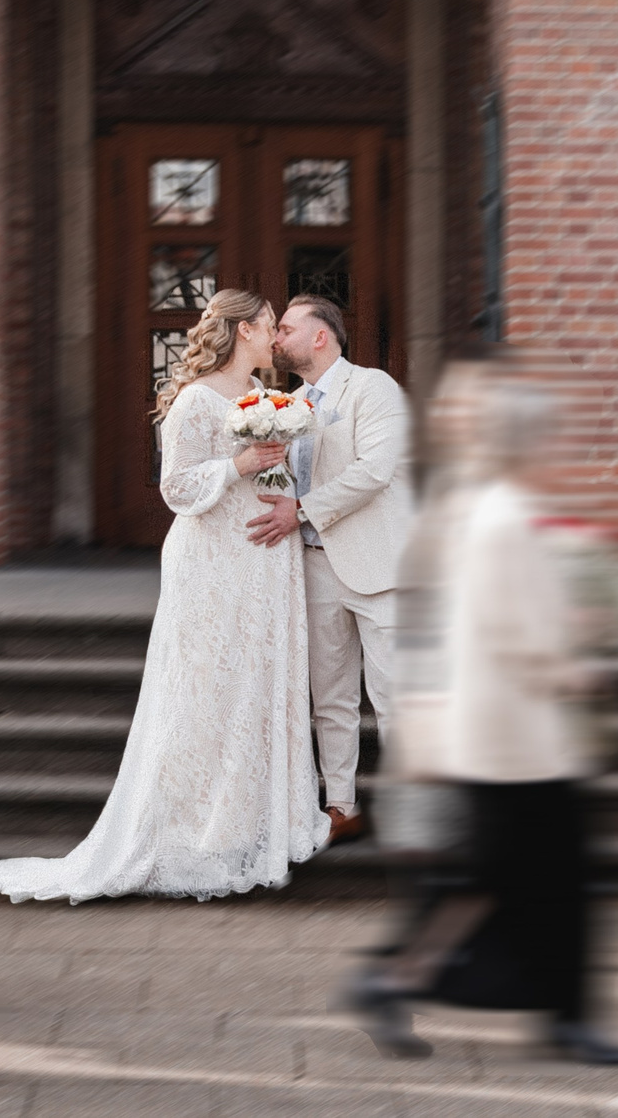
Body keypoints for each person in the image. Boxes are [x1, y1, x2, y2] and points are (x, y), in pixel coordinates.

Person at [0, 288, 331, 901]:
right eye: (269, 325)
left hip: (263, 559)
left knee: (253, 685)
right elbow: (176, 486)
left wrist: (277, 487)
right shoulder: (197, 400)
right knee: (205, 688)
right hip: (213, 562)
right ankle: (191, 832)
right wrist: (239, 467)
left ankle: (246, 823)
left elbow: (266, 470)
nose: (275, 335)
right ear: (242, 330)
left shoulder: (267, 398)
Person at [344, 372, 618, 1065]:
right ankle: (564, 1019)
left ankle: (396, 980)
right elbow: (513, 631)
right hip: (519, 738)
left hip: (502, 735)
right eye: (552, 436)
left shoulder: (491, 507)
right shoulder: (506, 517)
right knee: (548, 881)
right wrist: (575, 663)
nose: (561, 447)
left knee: (487, 881)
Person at [249, 295, 411, 845]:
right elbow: (281, 488)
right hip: (312, 567)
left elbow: (375, 471)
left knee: (394, 695)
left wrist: (300, 511)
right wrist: (262, 471)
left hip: (379, 567)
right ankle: (341, 806)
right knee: (331, 699)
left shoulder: (373, 387)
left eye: (287, 328)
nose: (277, 338)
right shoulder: (279, 405)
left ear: (321, 336)